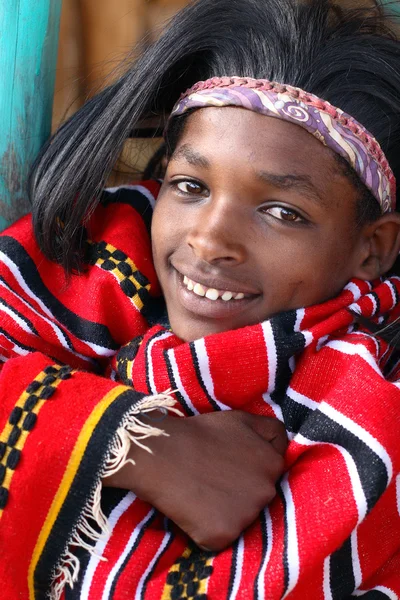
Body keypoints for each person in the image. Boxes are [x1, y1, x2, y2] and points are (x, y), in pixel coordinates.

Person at [1, 0, 400, 598]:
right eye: (190, 186)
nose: (210, 239)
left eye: (281, 212)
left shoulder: (371, 408)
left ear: (373, 248)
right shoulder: (96, 259)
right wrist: (134, 445)